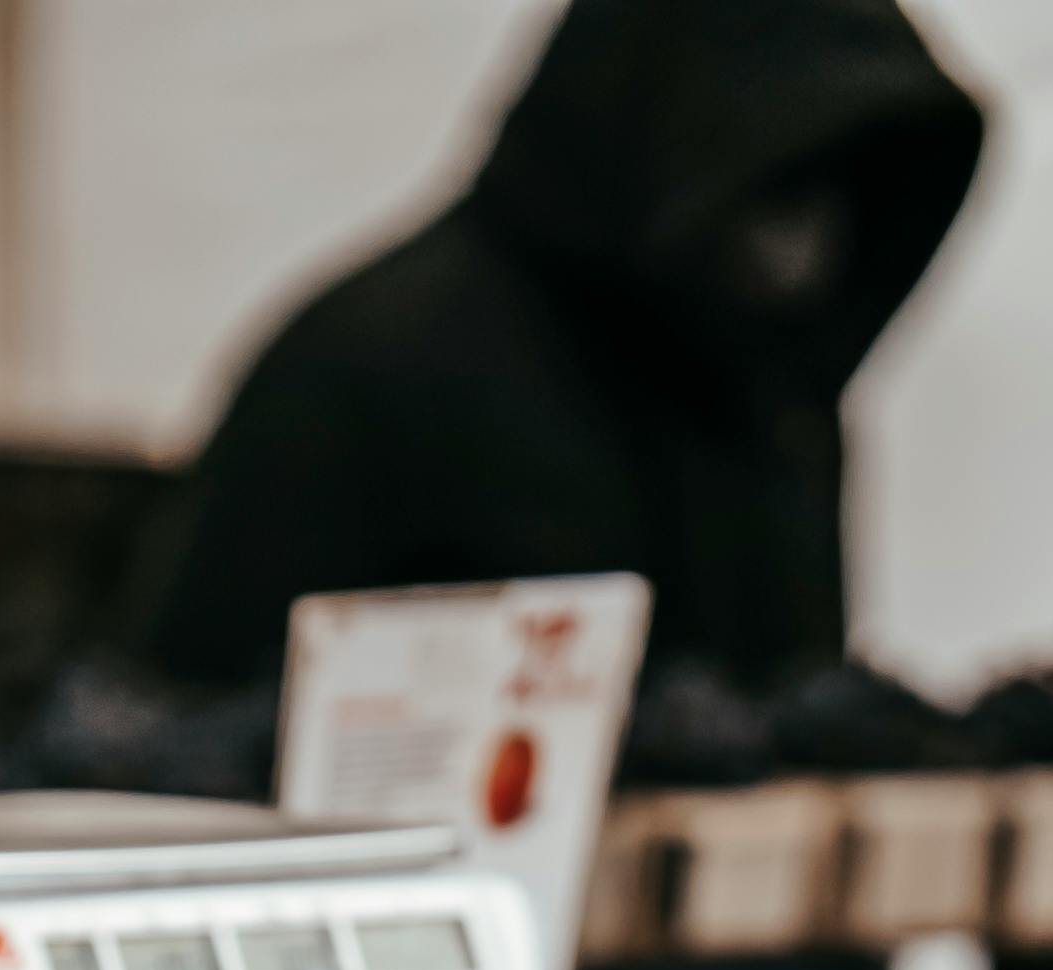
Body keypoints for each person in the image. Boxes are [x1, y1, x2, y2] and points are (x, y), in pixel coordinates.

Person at [121, 0, 986, 702]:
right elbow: (174, 720)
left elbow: (796, 711)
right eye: (781, 185)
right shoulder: (372, 367)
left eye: (846, 193)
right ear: (670, 143)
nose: (808, 246)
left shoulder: (770, 392)